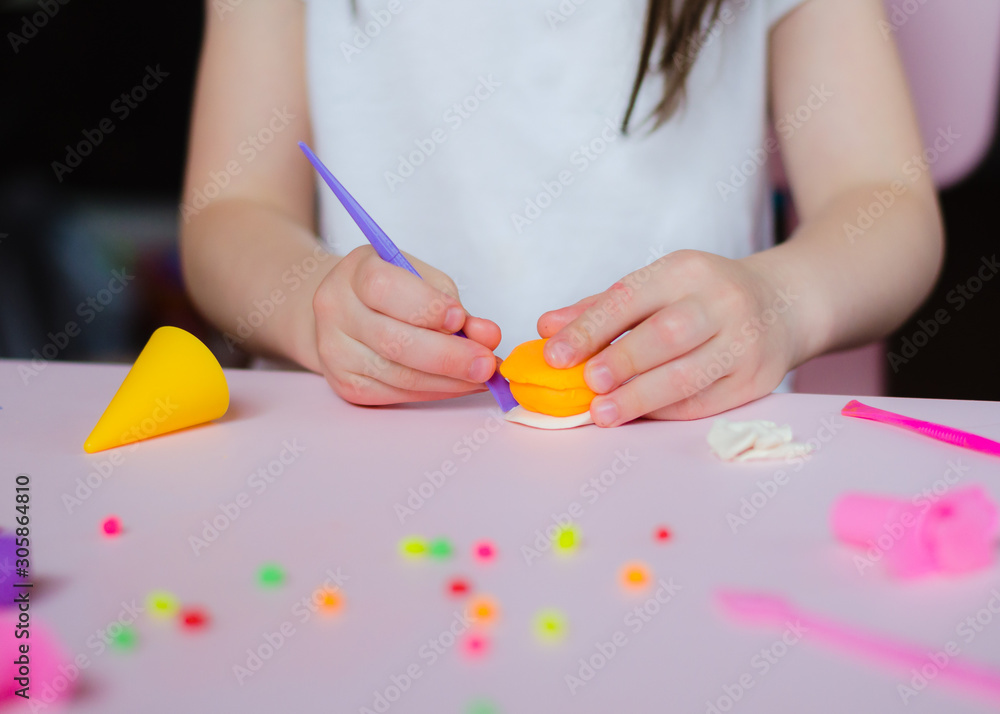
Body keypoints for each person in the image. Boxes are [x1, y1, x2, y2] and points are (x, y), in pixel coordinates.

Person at [180, 0, 943, 426]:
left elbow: (887, 200)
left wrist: (780, 305)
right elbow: (229, 213)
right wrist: (315, 306)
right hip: (370, 466)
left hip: (689, 461)